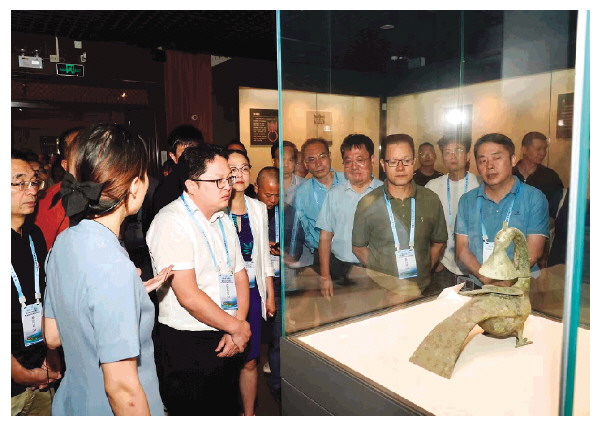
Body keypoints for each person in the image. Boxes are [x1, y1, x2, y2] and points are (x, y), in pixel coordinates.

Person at [43, 124, 171, 415]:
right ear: (135, 186)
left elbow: (52, 336)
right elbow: (122, 390)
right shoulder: (114, 267)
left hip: (75, 405)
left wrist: (131, 293)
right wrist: (122, 289)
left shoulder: (63, 241)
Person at [146, 144, 251, 416]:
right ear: (191, 185)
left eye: (229, 178)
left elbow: (240, 275)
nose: (228, 186)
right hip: (190, 342)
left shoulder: (222, 218)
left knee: (227, 409)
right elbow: (189, 296)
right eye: (218, 181)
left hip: (228, 333)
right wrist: (237, 328)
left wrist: (237, 324)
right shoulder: (171, 222)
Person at [352, 134, 447, 299]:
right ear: (383, 164)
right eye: (393, 162)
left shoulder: (431, 199)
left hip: (422, 291)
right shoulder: (367, 203)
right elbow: (358, 248)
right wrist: (385, 277)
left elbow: (438, 243)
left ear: (414, 161)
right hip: (381, 293)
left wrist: (424, 272)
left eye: (406, 161)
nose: (401, 168)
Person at [456, 133, 549, 287]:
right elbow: (462, 249)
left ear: (513, 160)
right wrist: (487, 279)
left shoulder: (534, 198)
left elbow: (533, 253)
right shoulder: (467, 201)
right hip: (480, 285)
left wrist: (505, 282)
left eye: (496, 158)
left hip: (522, 286)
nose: (489, 165)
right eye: (482, 160)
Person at [11, 150, 62, 416]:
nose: (31, 190)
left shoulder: (33, 234)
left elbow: (44, 295)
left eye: (34, 182)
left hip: (40, 370)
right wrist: (17, 372)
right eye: (19, 183)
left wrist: (50, 353)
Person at [227, 150, 276, 416]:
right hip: (224, 297)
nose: (239, 174)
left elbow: (264, 257)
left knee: (250, 360)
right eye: (233, 169)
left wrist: (270, 294)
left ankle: (249, 415)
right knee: (226, 361)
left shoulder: (257, 208)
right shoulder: (215, 208)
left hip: (254, 293)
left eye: (244, 168)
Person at [316, 134, 383, 299]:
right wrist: (325, 277)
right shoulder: (334, 195)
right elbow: (325, 238)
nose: (354, 167)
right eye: (348, 161)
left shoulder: (385, 194)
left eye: (360, 160)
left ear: (372, 160)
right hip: (340, 270)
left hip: (376, 271)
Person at [425, 136, 481, 291]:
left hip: (477, 267)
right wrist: (435, 260)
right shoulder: (432, 187)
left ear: (468, 156)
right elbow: (425, 228)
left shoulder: (480, 184)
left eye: (458, 151)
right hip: (444, 267)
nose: (453, 156)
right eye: (447, 152)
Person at [293, 138, 347, 270]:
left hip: (352, 252)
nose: (318, 164)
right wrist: (318, 247)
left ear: (330, 156)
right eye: (311, 159)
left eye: (322, 156)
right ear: (306, 164)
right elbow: (305, 228)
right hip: (322, 257)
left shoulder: (348, 181)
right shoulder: (302, 193)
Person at [34, 126, 83, 250]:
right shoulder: (50, 200)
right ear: (66, 165)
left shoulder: (112, 189)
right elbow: (42, 250)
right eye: (80, 149)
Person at [151, 124, 204, 216]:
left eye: (194, 151)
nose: (191, 157)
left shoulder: (210, 178)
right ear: (173, 157)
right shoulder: (166, 190)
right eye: (184, 153)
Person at [513, 131, 564, 213]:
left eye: (545, 149)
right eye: (538, 149)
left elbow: (558, 209)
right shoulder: (509, 174)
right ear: (524, 150)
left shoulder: (551, 177)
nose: (543, 153)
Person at [271, 140, 306, 205]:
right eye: (282, 159)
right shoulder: (268, 183)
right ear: (274, 161)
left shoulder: (305, 185)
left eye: (290, 160)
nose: (286, 164)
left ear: (295, 162)